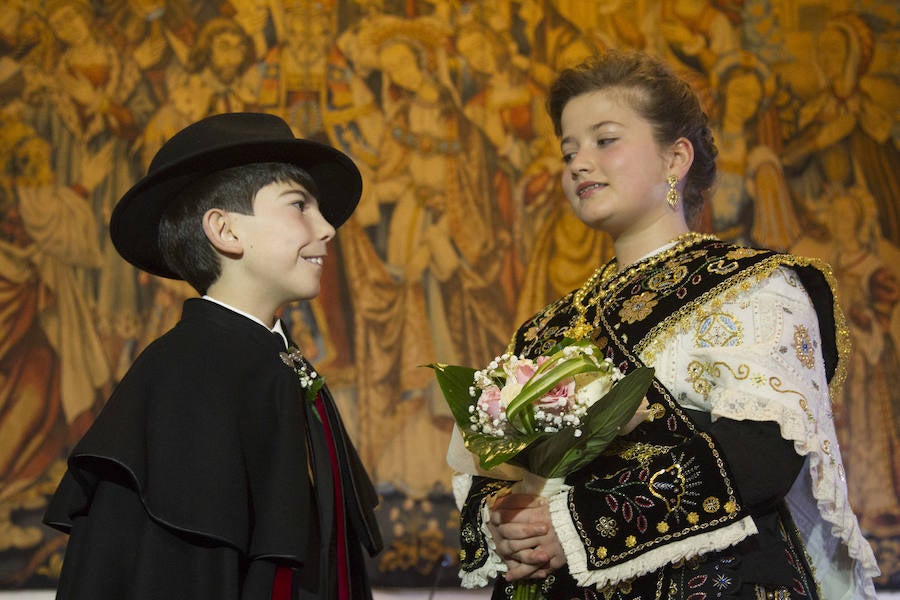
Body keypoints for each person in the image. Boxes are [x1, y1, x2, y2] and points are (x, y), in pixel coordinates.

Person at [448, 50, 879, 599]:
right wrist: (507, 521)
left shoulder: (754, 287)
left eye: (605, 140)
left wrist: (576, 524)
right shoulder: (545, 328)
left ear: (675, 158)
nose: (579, 164)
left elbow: (766, 449)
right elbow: (493, 470)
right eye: (568, 151)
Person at [43, 112, 383, 599]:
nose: (328, 228)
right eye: (299, 205)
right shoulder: (183, 376)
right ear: (225, 230)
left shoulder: (279, 362)